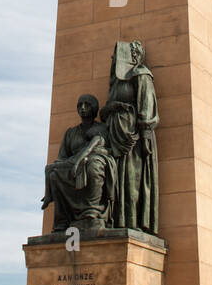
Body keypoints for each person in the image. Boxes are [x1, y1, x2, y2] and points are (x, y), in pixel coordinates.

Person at [101, 40, 159, 233]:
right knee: (116, 179)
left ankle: (132, 222)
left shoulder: (141, 75)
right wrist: (113, 108)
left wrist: (144, 135)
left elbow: (146, 106)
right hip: (113, 133)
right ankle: (115, 220)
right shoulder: (115, 82)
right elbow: (105, 109)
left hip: (132, 136)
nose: (112, 58)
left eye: (117, 54)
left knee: (131, 180)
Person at [42, 94, 116, 230]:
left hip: (94, 160)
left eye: (87, 105)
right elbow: (62, 157)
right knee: (53, 172)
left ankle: (92, 212)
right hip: (72, 162)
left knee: (94, 166)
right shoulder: (70, 132)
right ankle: (62, 220)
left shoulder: (101, 128)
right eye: (80, 105)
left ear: (94, 108)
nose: (82, 108)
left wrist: (78, 162)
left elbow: (102, 148)